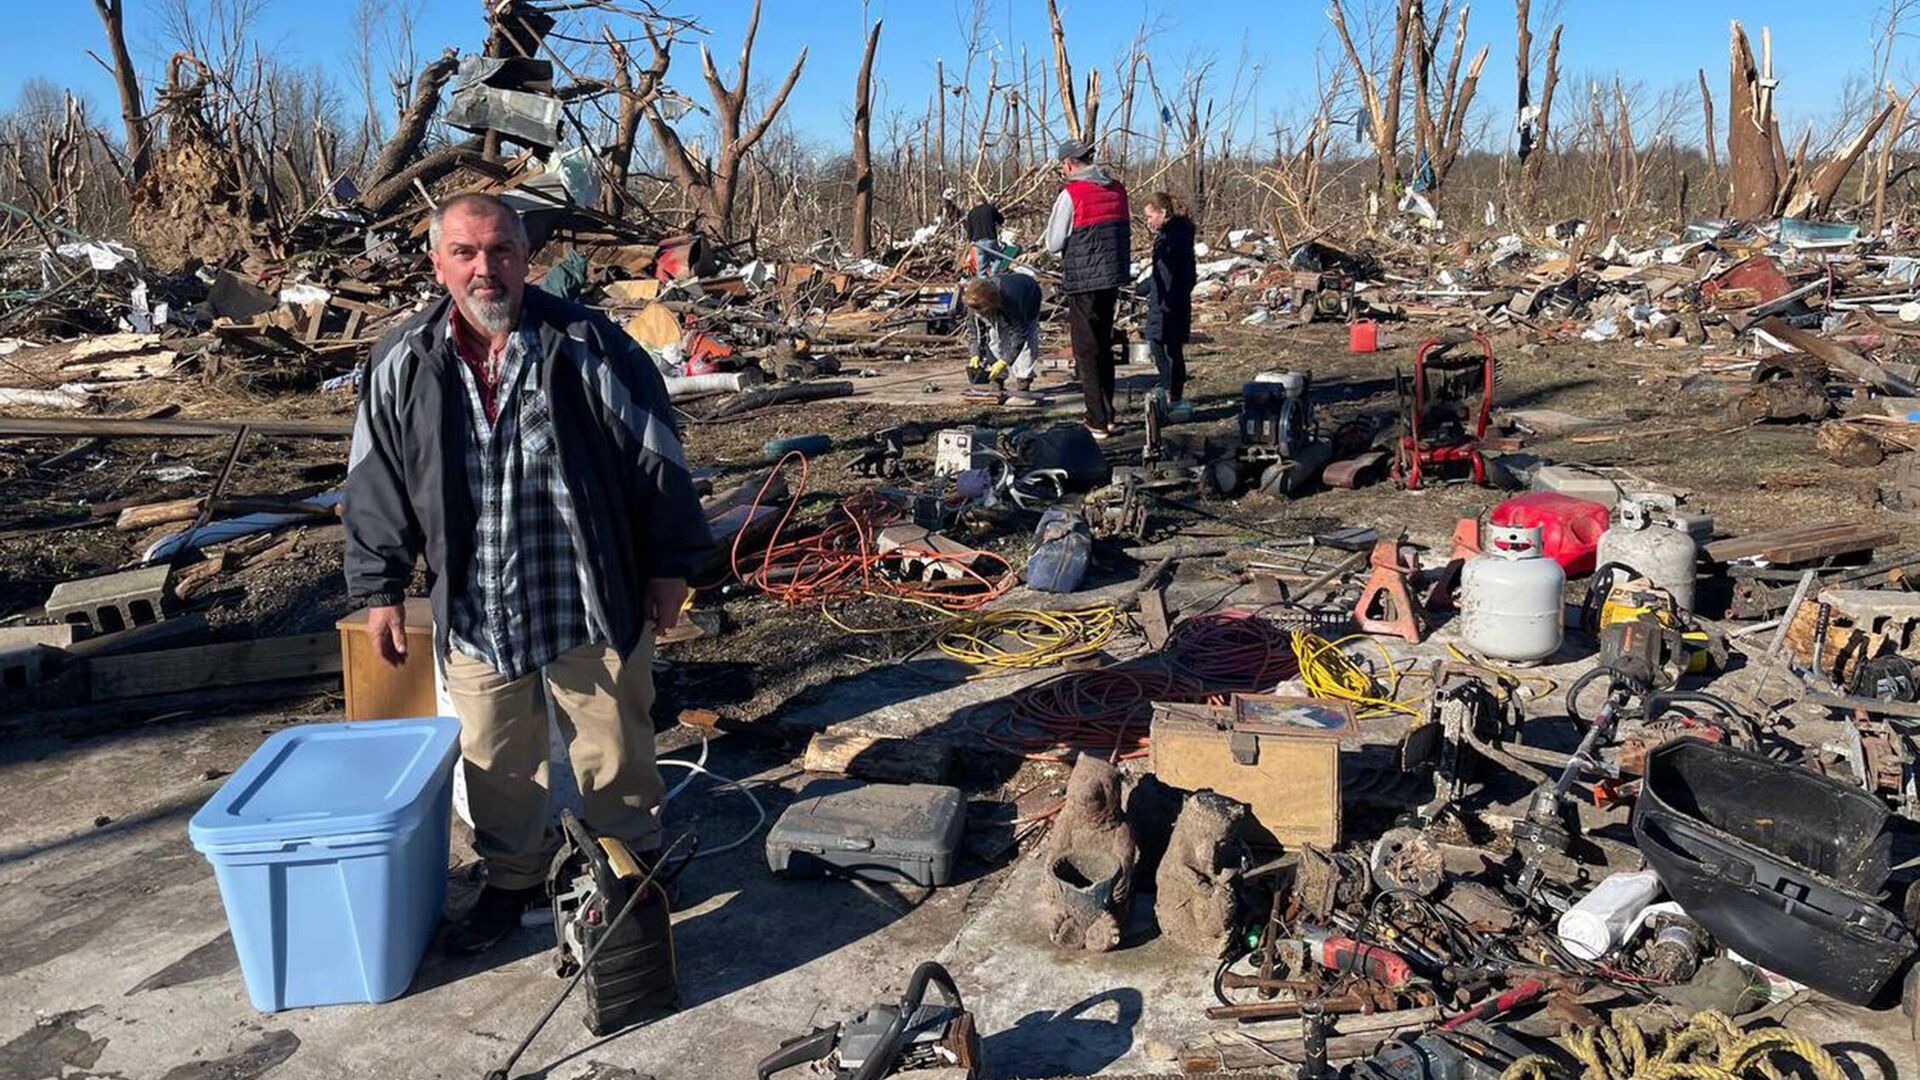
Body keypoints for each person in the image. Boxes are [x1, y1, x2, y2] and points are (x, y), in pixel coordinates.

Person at [344, 192, 712, 956]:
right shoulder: (405, 359)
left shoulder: (590, 343)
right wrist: (378, 589)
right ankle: (514, 878)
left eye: (502, 251)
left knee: (615, 742)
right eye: (468, 253)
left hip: (588, 590)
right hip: (477, 604)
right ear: (438, 262)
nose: (488, 269)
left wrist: (672, 564)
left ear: (526, 257)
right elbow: (375, 480)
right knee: (494, 756)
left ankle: (632, 865)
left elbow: (658, 458)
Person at [1043, 138, 1130, 439]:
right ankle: (1109, 415)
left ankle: (1096, 420)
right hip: (1112, 278)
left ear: (1067, 164)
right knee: (1104, 345)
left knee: (1086, 351)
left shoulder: (1072, 193)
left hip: (1083, 281)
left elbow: (1053, 244)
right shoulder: (1117, 189)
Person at [1142, 192, 1197, 414]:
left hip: (1167, 301)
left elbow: (1166, 274)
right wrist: (1144, 286)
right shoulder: (1176, 234)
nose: (1148, 222)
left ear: (1163, 213)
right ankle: (1173, 392)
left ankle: (1170, 390)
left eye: (1149, 216)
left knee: (1160, 344)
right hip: (1174, 298)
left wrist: (1158, 295)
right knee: (1170, 347)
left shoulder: (1170, 239)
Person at [962, 272, 1043, 391]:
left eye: (983, 311)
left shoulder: (1011, 301)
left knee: (1027, 343)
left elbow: (1020, 333)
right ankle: (997, 378)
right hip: (997, 301)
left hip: (1028, 297)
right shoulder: (974, 300)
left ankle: (1023, 379)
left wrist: (1005, 361)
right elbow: (973, 331)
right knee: (995, 336)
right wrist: (975, 353)